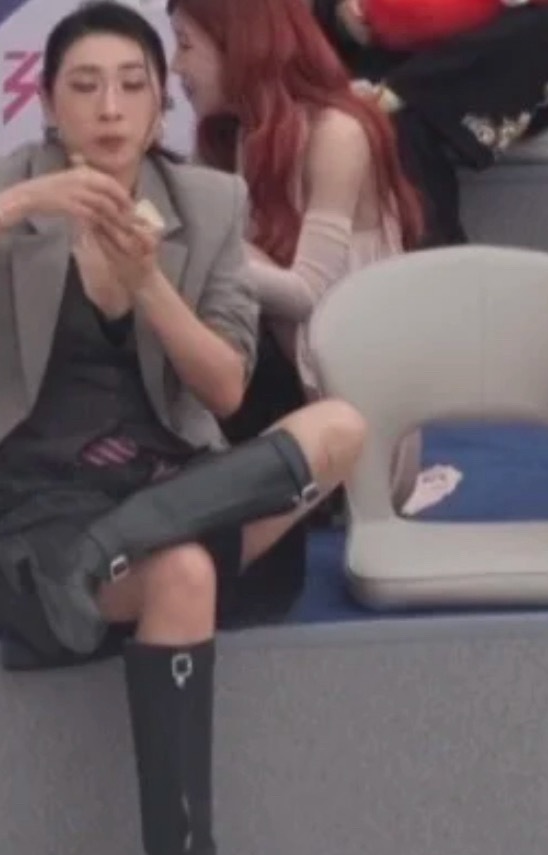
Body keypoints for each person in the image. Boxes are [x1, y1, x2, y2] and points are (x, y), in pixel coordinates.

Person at [0, 3, 366, 855]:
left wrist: (148, 283)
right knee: (184, 572)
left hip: (161, 474)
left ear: (161, 100)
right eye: (84, 86)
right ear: (47, 104)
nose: (109, 107)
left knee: (337, 427)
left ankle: (109, 549)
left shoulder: (205, 202)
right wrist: (18, 205)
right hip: (21, 491)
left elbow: (224, 389)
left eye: (134, 85)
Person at [167, 0, 424, 508]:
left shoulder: (338, 133)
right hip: (283, 376)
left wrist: (200, 249)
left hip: (350, 421)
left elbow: (311, 295)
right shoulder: (229, 135)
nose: (175, 67)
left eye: (185, 46)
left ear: (240, 45)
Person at [313, 0, 548, 246]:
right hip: (398, 57)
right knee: (405, 118)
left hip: (508, 63)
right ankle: (436, 252)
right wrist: (342, 13)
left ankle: (402, 91)